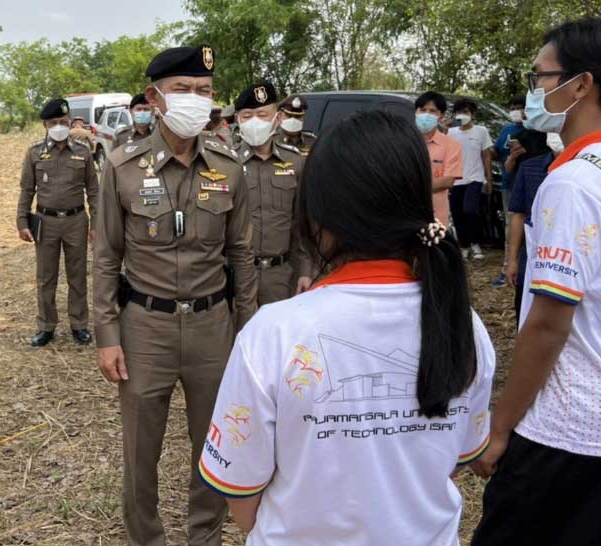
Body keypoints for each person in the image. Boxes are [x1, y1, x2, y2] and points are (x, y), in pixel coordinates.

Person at [199, 110, 495, 545]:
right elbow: (455, 456)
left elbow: (242, 495)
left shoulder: (274, 333)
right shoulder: (463, 323)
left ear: (315, 215)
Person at [93, 45, 257, 546]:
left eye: (204, 91)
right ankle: (146, 538)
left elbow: (242, 255)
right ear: (155, 97)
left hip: (213, 326)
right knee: (140, 451)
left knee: (214, 445)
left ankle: (204, 536)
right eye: (182, 89)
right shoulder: (122, 166)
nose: (195, 99)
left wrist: (248, 329)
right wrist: (107, 334)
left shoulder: (229, 166)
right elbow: (106, 256)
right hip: (146, 328)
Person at [472, 17, 601, 546]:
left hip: (568, 430)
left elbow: (549, 324)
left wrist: (500, 428)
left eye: (540, 76)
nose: (534, 90)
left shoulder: (576, 183)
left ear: (581, 85)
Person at [16, 98, 99, 347]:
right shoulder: (34, 152)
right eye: (54, 123)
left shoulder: (83, 152)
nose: (59, 126)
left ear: (70, 121)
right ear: (45, 125)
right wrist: (22, 221)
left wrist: (96, 224)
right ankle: (46, 326)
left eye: (63, 121)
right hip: (45, 221)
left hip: (76, 221)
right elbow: (26, 189)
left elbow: (93, 191)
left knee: (78, 276)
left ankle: (79, 324)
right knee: (46, 277)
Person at [234, 81, 312, 304]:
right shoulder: (227, 163)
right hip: (237, 275)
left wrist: (305, 270)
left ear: (277, 118)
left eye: (262, 115)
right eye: (247, 116)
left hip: (281, 275)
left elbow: (302, 222)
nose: (255, 122)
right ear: (238, 120)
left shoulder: (295, 162)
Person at [504, 134, 559, 323]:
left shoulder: (588, 170)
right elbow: (518, 214)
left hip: (569, 263)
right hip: (531, 259)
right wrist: (512, 259)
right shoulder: (529, 168)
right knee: (525, 315)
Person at [448, 98, 493, 260]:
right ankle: (464, 245)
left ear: (472, 114)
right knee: (457, 214)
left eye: (466, 112)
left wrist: (489, 179)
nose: (462, 115)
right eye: (459, 112)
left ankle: (475, 242)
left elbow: (486, 155)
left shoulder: (481, 131)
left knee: (470, 210)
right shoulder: (451, 132)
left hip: (475, 178)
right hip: (455, 179)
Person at [489, 95, 526, 286]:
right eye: (512, 107)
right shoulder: (506, 130)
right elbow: (496, 152)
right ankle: (507, 269)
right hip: (509, 185)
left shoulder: (536, 130)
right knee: (510, 228)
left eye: (519, 107)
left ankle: (527, 269)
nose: (515, 111)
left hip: (530, 186)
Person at [414, 91, 463, 225]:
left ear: (441, 116)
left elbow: (448, 181)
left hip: (436, 218)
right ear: (416, 112)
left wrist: (413, 189)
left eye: (432, 111)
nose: (426, 114)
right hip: (404, 215)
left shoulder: (451, 145)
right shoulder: (403, 141)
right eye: (423, 110)